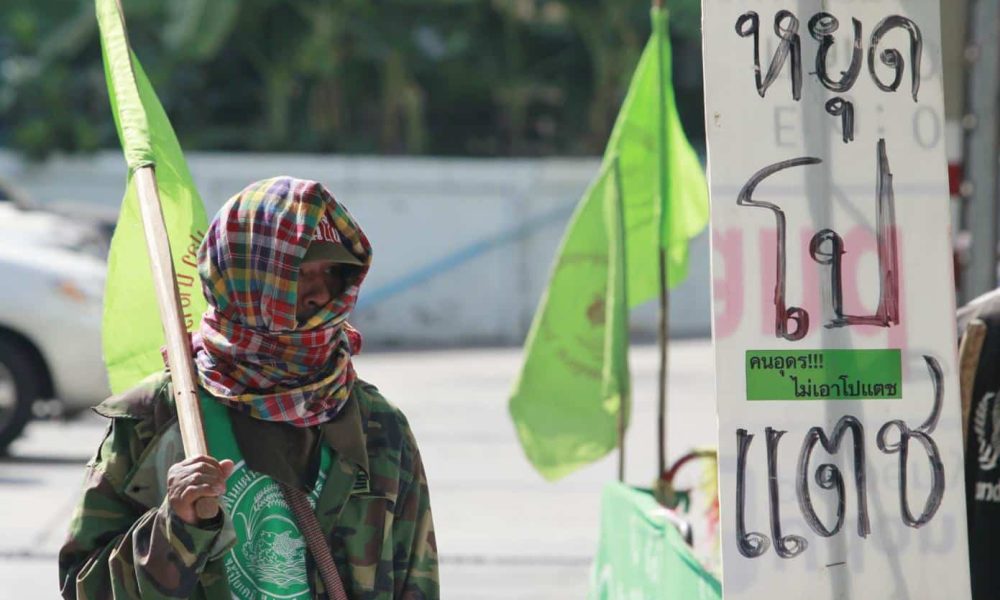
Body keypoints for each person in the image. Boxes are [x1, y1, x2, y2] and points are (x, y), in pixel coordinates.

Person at [58, 176, 438, 599]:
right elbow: (81, 589)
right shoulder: (160, 415)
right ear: (244, 278)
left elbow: (416, 582)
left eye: (331, 272)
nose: (318, 293)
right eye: (298, 270)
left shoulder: (377, 426)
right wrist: (176, 528)